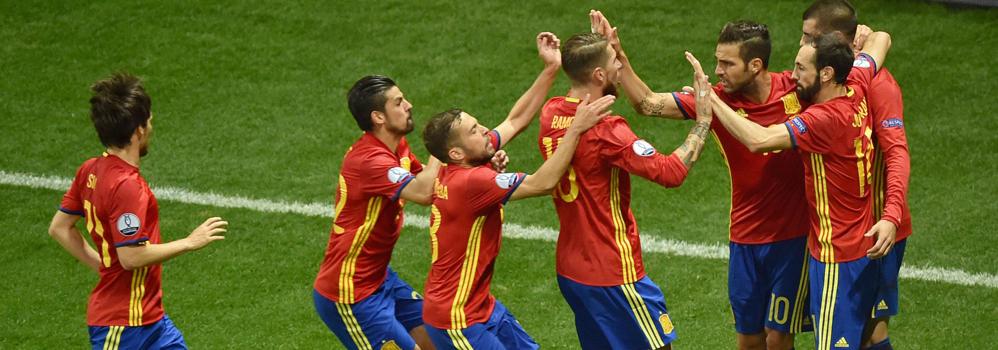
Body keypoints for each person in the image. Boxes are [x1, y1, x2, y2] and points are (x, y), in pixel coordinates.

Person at [590, 11, 812, 349]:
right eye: (716, 61)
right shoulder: (716, 98)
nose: (718, 71)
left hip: (794, 238)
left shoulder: (796, 89)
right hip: (746, 237)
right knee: (750, 339)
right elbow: (648, 104)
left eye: (727, 63)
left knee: (780, 337)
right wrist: (618, 54)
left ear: (755, 65)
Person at [687, 27, 892, 350]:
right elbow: (882, 39)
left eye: (800, 69)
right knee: (867, 333)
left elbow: (759, 140)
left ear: (826, 74)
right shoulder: (856, 82)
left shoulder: (822, 118)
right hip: (859, 241)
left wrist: (710, 98)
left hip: (836, 251)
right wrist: (862, 39)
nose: (791, 77)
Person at [418, 32, 615, 350]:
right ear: (456, 153)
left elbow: (516, 120)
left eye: (478, 123)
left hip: (480, 307)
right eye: (473, 130)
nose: (484, 130)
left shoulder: (464, 165)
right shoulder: (470, 181)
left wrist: (550, 69)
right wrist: (576, 129)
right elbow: (543, 182)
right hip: (458, 320)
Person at [538, 30, 714, 350]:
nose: (620, 66)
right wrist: (703, 119)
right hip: (613, 272)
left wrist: (607, 45)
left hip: (572, 272)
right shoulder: (607, 130)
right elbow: (671, 172)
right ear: (598, 75)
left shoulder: (552, 112)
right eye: (614, 61)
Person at [48, 72, 228, 349]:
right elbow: (131, 257)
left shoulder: (90, 170)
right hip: (122, 326)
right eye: (150, 121)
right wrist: (190, 242)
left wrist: (104, 266)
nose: (152, 127)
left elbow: (59, 228)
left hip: (151, 319)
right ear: (139, 130)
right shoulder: (127, 186)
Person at [801, 3, 912, 349]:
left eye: (810, 37)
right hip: (840, 230)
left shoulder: (877, 84)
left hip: (875, 232)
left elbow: (896, 152)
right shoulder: (823, 80)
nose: (802, 44)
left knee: (866, 331)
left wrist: (891, 215)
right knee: (862, 332)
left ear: (834, 40)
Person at [312, 75, 445, 350]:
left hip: (380, 277)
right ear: (378, 117)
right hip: (351, 294)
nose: (408, 105)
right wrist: (441, 147)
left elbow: (434, 184)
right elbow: (423, 193)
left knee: (439, 339)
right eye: (398, 102)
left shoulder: (396, 147)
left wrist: (483, 166)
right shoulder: (369, 161)